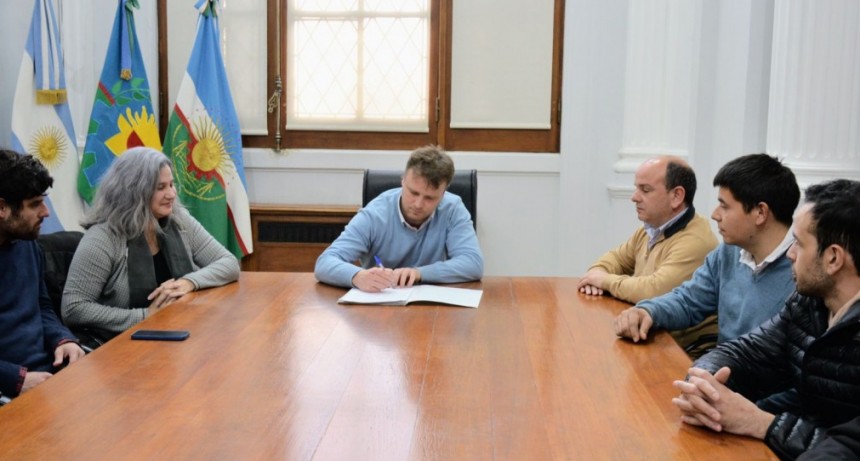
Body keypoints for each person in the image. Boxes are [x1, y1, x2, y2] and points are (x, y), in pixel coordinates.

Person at [672, 179, 860, 460]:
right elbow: (747, 352)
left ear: (833, 258)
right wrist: (705, 383)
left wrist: (762, 424)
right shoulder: (809, 303)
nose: (790, 254)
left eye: (798, 243)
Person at [614, 154, 799, 356]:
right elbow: (688, 300)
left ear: (761, 213)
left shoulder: (802, 272)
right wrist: (648, 311)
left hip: (751, 384)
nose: (715, 214)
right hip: (720, 373)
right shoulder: (728, 252)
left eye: (725, 206)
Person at [62, 147, 240, 347]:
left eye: (172, 185)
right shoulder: (103, 238)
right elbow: (74, 308)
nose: (171, 194)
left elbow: (229, 263)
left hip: (179, 332)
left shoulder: (179, 221)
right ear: (134, 190)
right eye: (160, 187)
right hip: (120, 344)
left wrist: (189, 282)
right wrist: (145, 316)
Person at [580, 156, 718, 352]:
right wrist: (597, 273)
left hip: (687, 350)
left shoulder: (695, 241)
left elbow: (653, 291)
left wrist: (603, 281)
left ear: (677, 196)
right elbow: (614, 259)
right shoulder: (652, 228)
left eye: (645, 190)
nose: (634, 197)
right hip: (654, 337)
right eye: (637, 188)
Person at [315, 145, 483, 292]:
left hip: (429, 308)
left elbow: (473, 263)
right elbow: (325, 262)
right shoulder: (375, 213)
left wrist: (419, 273)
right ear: (403, 181)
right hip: (379, 304)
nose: (418, 204)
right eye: (413, 192)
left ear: (443, 194)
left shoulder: (452, 208)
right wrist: (356, 276)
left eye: (430, 198)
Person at [0, 149, 85, 399]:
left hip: (47, 374)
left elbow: (42, 307)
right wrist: (15, 379)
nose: (46, 213)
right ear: (2, 208)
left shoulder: (27, 244)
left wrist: (63, 340)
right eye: (35, 204)